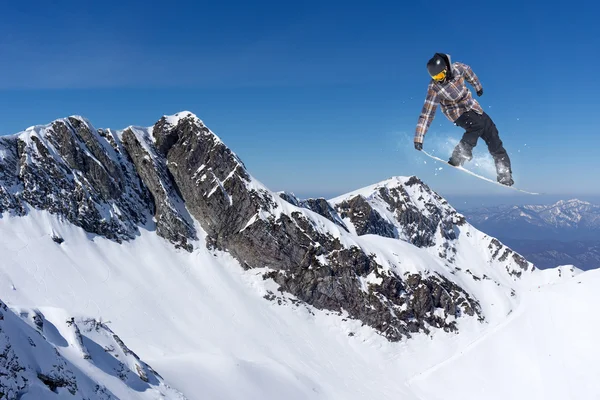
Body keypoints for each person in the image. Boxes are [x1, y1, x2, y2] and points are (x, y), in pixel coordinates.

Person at [413, 53, 514, 186]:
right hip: (456, 112)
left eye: (440, 75)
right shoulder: (434, 88)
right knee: (476, 125)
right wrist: (419, 137)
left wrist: (478, 86)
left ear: (446, 69)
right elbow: (427, 113)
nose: (439, 79)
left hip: (472, 107)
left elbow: (469, 73)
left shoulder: (458, 68)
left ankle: (504, 174)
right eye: (435, 77)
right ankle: (459, 155)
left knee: (492, 134)